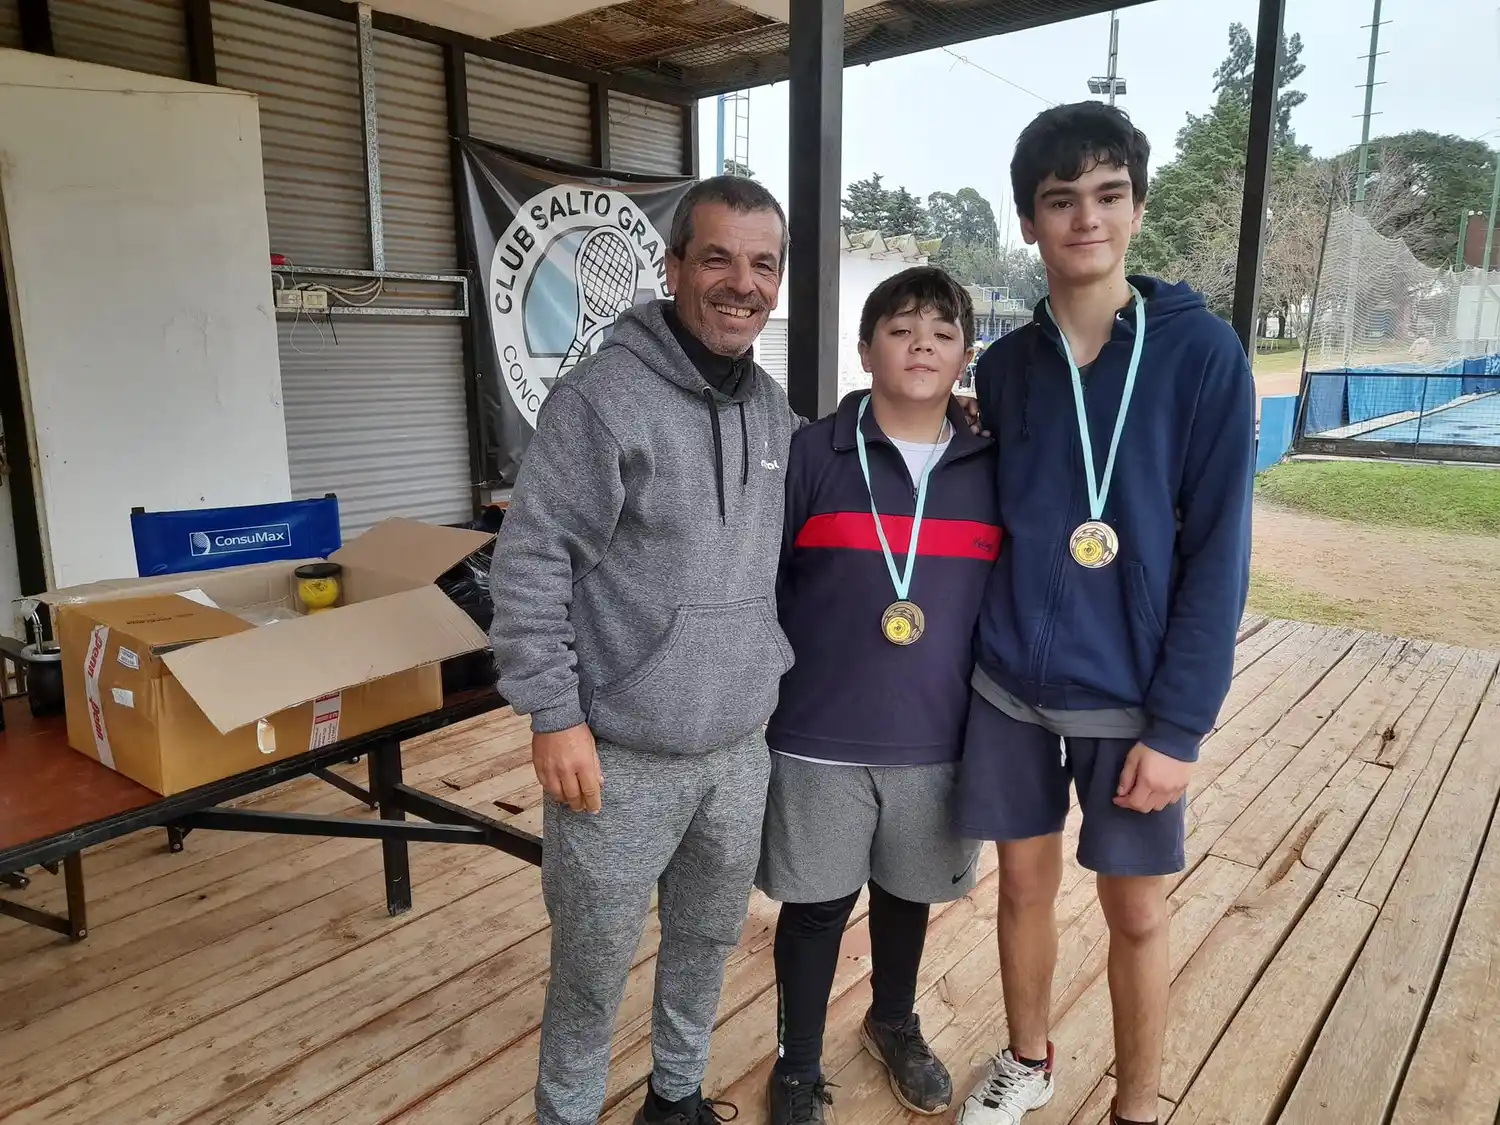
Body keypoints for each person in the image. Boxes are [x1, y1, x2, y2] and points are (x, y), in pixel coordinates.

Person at [954, 103, 1254, 1125]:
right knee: (1021, 891)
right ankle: (1028, 1060)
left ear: (1137, 205)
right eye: (1060, 200)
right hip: (1008, 686)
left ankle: (1135, 1103)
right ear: (1029, 221)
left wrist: (1179, 728)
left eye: (1108, 195)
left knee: (1134, 911)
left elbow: (1220, 554)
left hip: (1131, 698)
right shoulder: (1002, 369)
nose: (1087, 218)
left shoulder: (1203, 356)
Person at [488, 175, 797, 1125]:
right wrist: (555, 713)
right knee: (591, 963)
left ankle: (675, 1097)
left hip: (737, 746)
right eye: (717, 257)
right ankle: (568, 1114)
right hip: (616, 752)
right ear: (672, 269)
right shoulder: (603, 398)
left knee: (707, 938)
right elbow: (531, 560)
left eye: (762, 264)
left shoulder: (773, 410)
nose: (740, 283)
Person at [759, 267, 1001, 1125]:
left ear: (966, 354)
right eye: (900, 328)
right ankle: (796, 1063)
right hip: (817, 732)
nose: (923, 343)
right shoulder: (810, 454)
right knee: (816, 906)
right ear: (866, 350)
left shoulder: (992, 461)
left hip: (938, 735)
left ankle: (893, 1020)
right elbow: (764, 583)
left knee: (908, 895)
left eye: (942, 330)